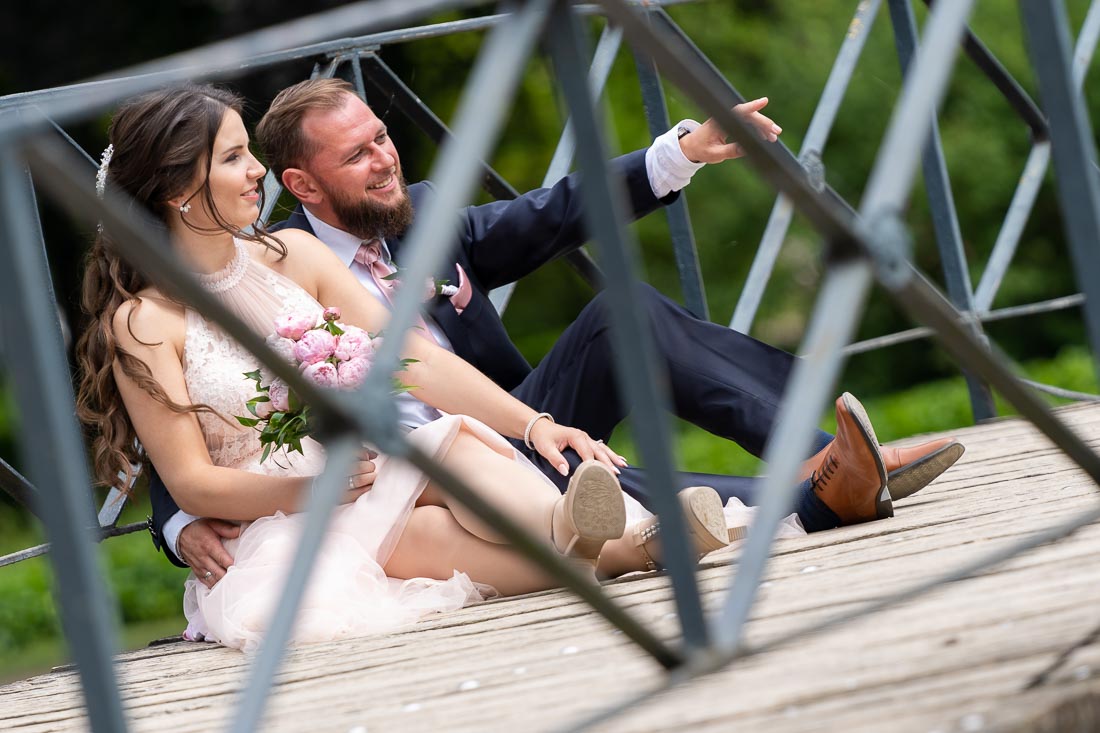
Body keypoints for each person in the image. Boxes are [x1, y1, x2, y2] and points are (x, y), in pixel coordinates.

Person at [153, 78, 963, 579]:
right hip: (399, 481)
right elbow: (199, 388)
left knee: (623, 315)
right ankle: (822, 497)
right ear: (302, 184)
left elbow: (555, 212)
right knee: (553, 465)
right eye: (358, 155)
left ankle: (818, 460)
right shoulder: (274, 265)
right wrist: (182, 523)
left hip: (510, 424)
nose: (386, 159)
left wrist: (682, 151)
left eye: (383, 138)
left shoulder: (428, 217)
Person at [77, 84, 753, 650]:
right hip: (277, 516)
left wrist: (537, 422)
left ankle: (593, 532)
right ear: (179, 191)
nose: (257, 169)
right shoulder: (142, 324)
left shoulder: (295, 257)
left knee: (451, 440)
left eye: (250, 151)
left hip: (363, 467)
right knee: (426, 532)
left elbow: (414, 362)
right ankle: (637, 544)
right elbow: (193, 479)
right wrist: (313, 491)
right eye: (234, 157)